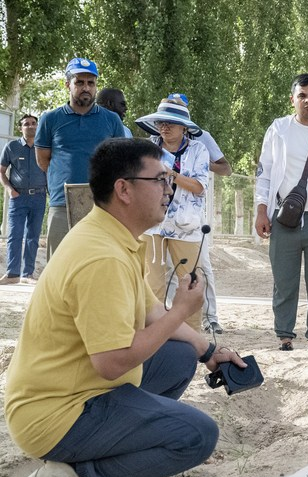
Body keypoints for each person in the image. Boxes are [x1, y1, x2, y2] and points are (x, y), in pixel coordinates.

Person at [4, 138, 245, 477]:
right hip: (56, 415)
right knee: (196, 436)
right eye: (160, 179)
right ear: (124, 190)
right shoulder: (102, 257)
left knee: (180, 356)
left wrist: (208, 351)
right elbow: (112, 362)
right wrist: (181, 310)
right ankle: (77, 473)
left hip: (82, 390)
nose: (169, 188)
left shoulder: (112, 235)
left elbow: (152, 313)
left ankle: (102, 447)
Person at [254, 74, 308, 351]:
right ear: (292, 99)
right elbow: (265, 172)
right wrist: (261, 210)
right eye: (302, 95)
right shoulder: (279, 129)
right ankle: (284, 336)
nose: (307, 100)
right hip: (284, 219)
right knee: (285, 282)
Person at [35, 57, 128, 258]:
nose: (86, 87)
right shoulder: (49, 120)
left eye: (90, 83)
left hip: (102, 204)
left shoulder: (111, 120)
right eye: (79, 82)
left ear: (95, 86)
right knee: (59, 267)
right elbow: (43, 161)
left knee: (98, 264)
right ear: (68, 84)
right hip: (62, 204)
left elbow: (119, 161)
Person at [135, 100, 210, 332]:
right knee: (151, 283)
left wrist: (172, 175)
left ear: (184, 127)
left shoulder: (199, 150)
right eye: (161, 122)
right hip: (151, 224)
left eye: (171, 123)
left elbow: (199, 186)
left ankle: (193, 336)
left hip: (186, 226)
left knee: (190, 282)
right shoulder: (148, 147)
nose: (164, 127)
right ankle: (150, 336)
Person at [165, 92, 233, 334]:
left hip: (192, 212)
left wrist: (195, 165)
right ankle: (170, 319)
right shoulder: (156, 140)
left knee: (200, 267)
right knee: (166, 271)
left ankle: (210, 317)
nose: (168, 120)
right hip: (163, 215)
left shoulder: (202, 139)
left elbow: (226, 168)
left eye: (178, 108)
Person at [1, 114, 46, 285]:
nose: (31, 126)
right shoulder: (11, 147)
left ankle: (27, 274)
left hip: (39, 197)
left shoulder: (43, 147)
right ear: (21, 128)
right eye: (26, 124)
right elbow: (1, 171)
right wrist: (9, 190)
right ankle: (12, 274)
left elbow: (50, 169)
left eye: (34, 123)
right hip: (18, 197)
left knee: (33, 236)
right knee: (15, 235)